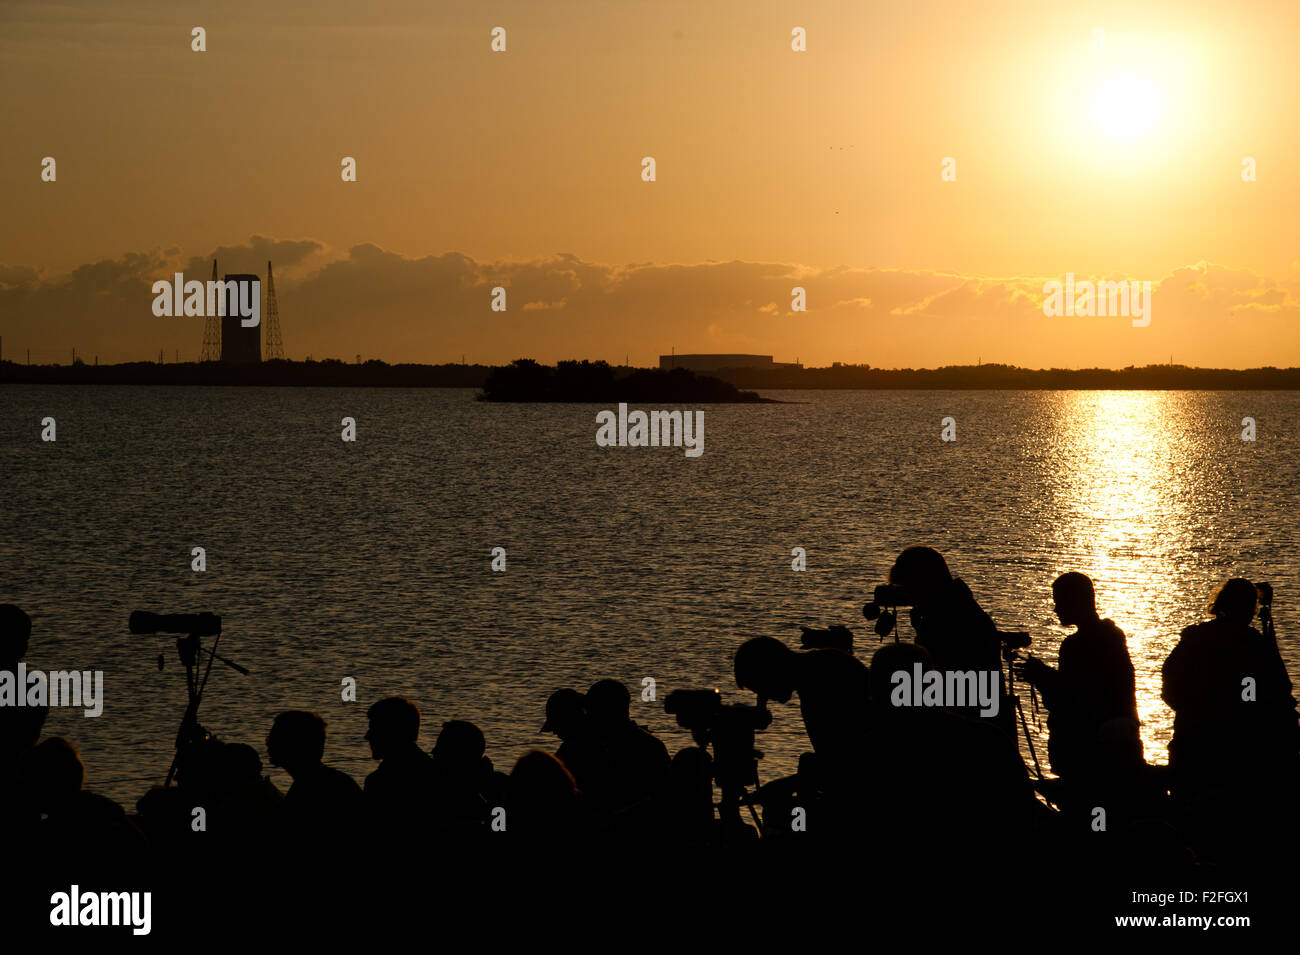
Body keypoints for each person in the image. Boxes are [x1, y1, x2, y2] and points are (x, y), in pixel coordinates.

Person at [1162, 579, 1299, 799]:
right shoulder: (1252, 644)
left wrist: (1191, 711)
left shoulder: (1192, 639)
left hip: (1191, 745)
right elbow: (1277, 691)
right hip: (1236, 752)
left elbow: (1169, 689)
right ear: (1248, 608)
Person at [1021, 573, 1140, 781]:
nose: (1056, 609)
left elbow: (1072, 701)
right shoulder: (1112, 636)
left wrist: (1040, 675)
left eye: (1059, 602)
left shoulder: (1075, 645)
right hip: (1117, 746)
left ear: (1075, 601)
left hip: (1087, 755)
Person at [886, 546, 1013, 735]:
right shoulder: (960, 607)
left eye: (909, 588)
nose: (909, 597)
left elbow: (937, 680)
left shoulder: (945, 619)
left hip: (966, 725)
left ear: (922, 583)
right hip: (983, 719)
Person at [733, 636, 870, 793]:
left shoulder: (819, 683)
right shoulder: (816, 667)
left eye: (760, 688)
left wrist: (783, 786)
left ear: (770, 672)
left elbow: (841, 762)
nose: (763, 696)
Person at [265, 710, 362, 844]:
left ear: (296, 745)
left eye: (274, 738)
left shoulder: (315, 789)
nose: (268, 744)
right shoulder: (328, 781)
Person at [363, 696, 437, 842]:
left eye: (374, 730)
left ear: (392, 733)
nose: (367, 736)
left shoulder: (379, 782)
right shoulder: (437, 772)